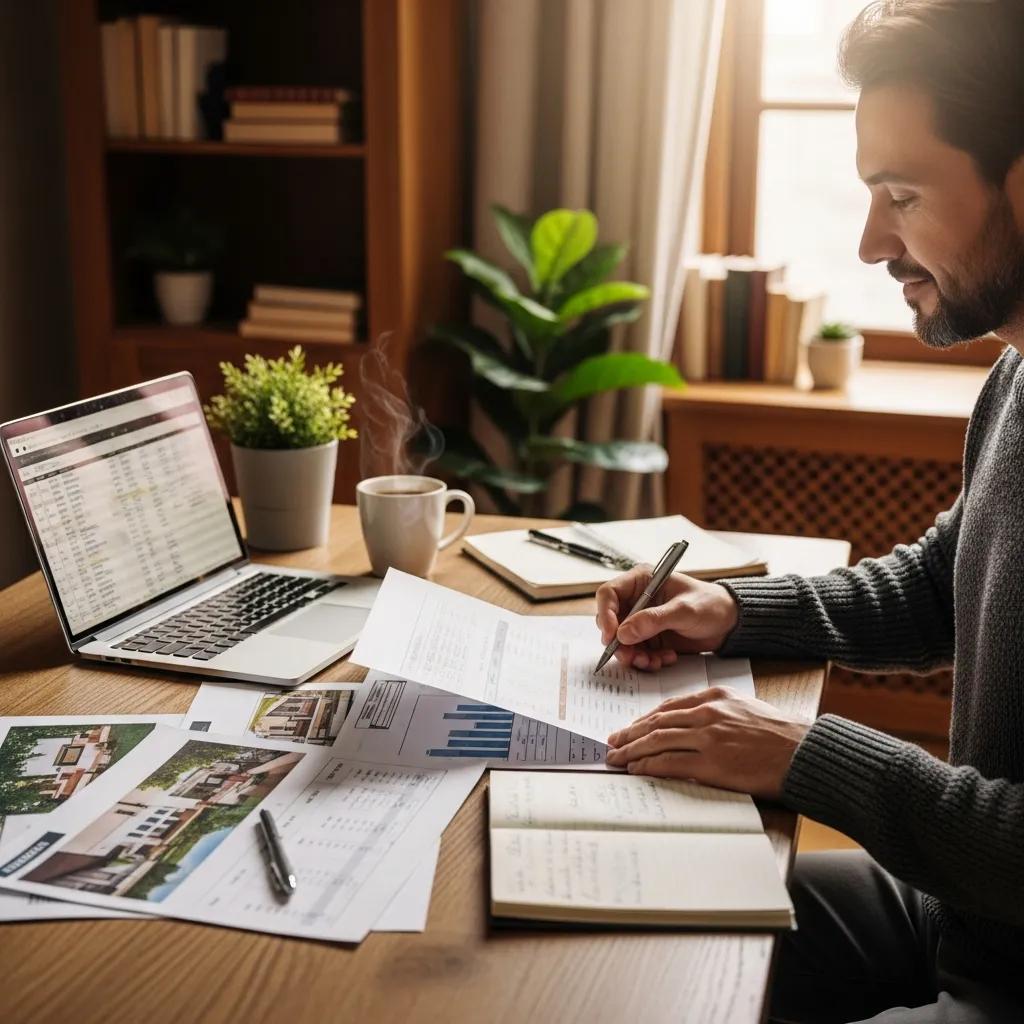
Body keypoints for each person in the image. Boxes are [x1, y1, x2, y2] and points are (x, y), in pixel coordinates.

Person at [596, 2, 1024, 1021]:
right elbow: (932, 587)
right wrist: (734, 612)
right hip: (966, 911)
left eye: (901, 194)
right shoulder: (1015, 375)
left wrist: (803, 753)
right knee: (623, 933)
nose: (872, 240)